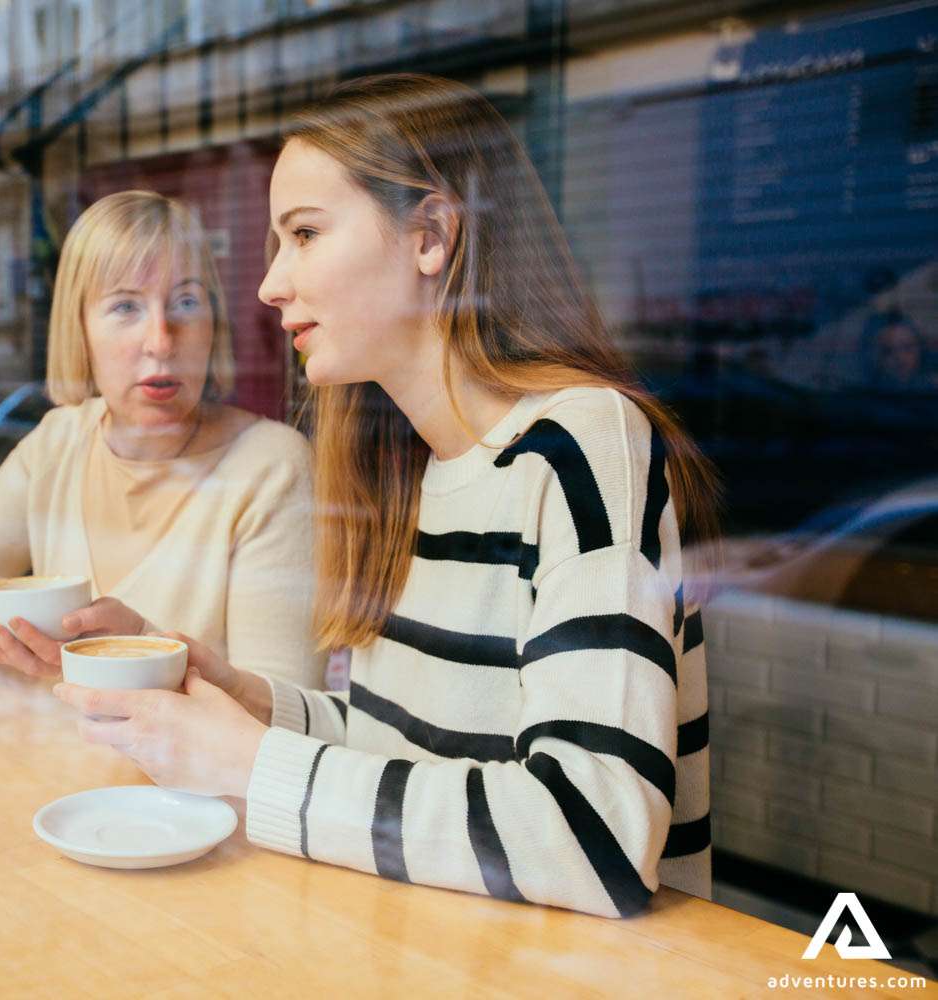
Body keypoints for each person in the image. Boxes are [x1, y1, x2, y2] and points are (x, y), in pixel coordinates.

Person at [53, 75, 720, 918]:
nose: (269, 285)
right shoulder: (408, 467)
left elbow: (595, 837)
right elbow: (404, 753)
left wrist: (253, 764)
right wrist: (242, 699)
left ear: (431, 235)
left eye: (303, 234)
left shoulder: (584, 444)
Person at [0, 190, 325, 687]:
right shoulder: (58, 443)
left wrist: (137, 646)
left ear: (212, 325)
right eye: (126, 307)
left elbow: (285, 717)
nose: (160, 339)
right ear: (79, 330)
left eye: (186, 302)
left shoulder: (272, 466)